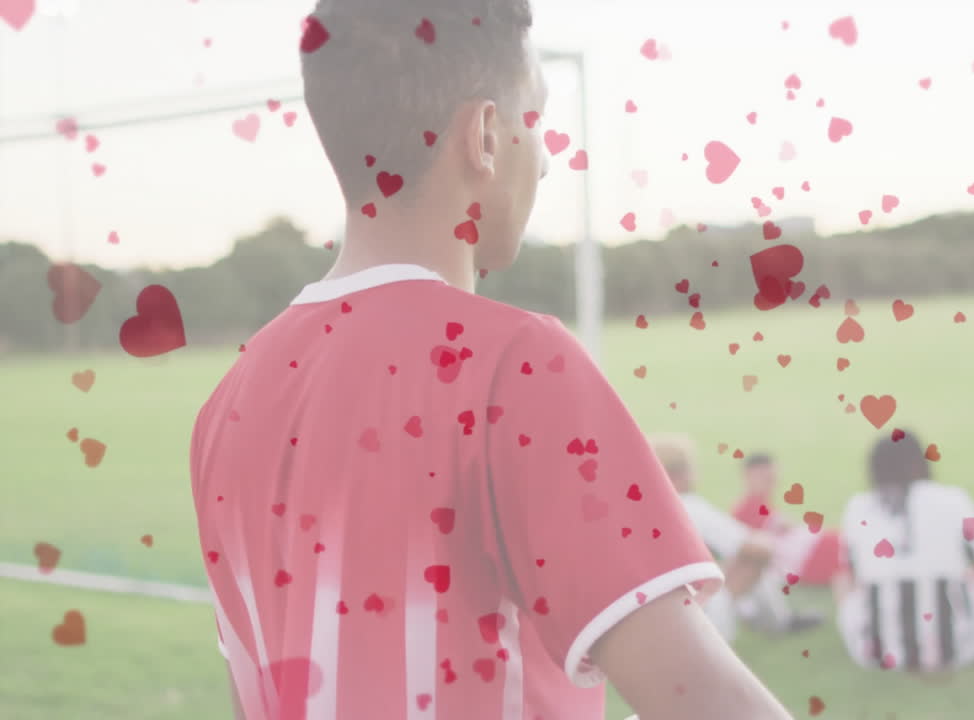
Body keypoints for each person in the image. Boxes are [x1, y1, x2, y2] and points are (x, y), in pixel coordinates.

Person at [188, 3, 794, 719]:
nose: (543, 156)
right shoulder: (516, 366)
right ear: (483, 136)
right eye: (534, 122)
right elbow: (709, 702)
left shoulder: (227, 405)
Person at [832, 432, 974, 673]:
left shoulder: (859, 505)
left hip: (876, 653)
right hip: (957, 649)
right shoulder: (954, 499)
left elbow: (849, 572)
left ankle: (883, 627)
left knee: (842, 579)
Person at [650, 435, 823, 642]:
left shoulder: (638, 508)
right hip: (692, 616)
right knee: (752, 555)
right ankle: (773, 622)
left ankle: (769, 619)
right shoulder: (687, 505)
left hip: (650, 612)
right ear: (680, 473)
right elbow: (756, 547)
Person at [731, 453, 841, 586]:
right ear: (748, 476)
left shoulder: (761, 504)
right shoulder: (745, 508)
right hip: (807, 556)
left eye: (772, 479)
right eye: (765, 478)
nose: (771, 484)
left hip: (813, 548)